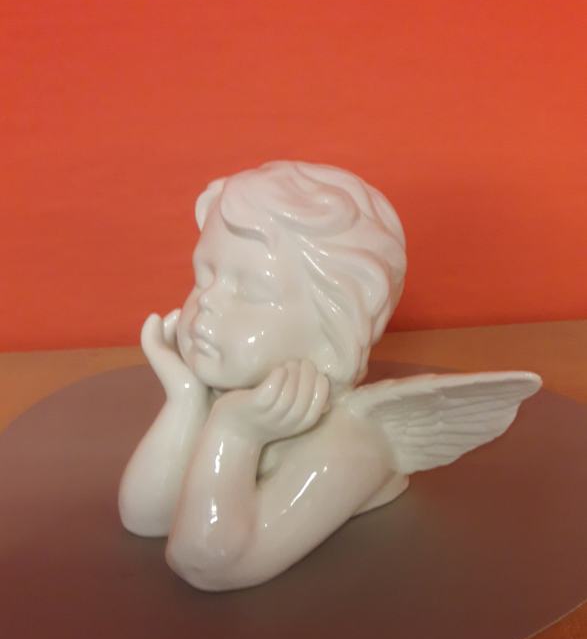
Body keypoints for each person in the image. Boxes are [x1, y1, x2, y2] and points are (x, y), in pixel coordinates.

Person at [119, 161, 540, 591]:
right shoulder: (234, 398)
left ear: (333, 330)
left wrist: (234, 435)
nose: (206, 302)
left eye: (251, 291)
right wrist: (186, 398)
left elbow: (204, 562)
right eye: (203, 276)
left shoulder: (351, 442)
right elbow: (144, 516)